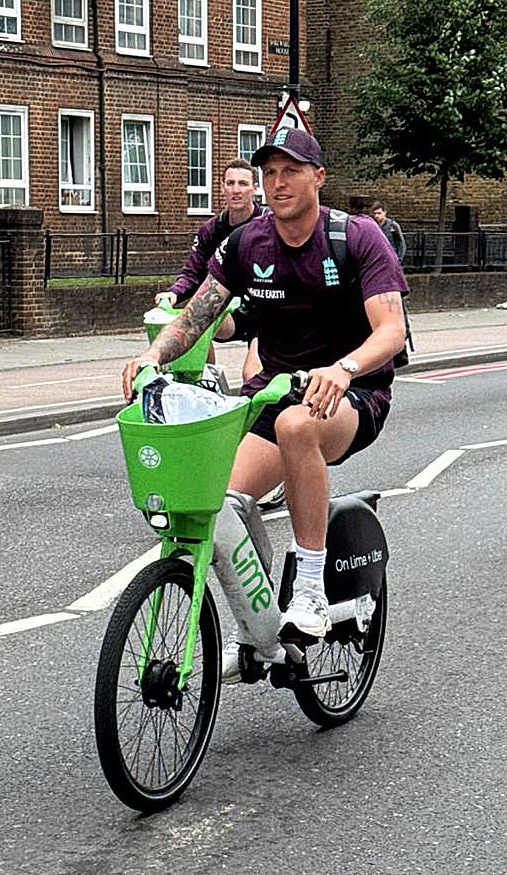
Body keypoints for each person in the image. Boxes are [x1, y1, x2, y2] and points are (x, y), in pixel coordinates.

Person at [122, 128, 407, 663]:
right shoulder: (248, 243)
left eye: (291, 171)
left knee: (297, 426)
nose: (278, 183)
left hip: (352, 393)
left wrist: (343, 369)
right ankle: (260, 628)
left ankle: (313, 592)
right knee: (216, 502)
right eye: (269, 173)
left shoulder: (356, 237)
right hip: (272, 391)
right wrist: (154, 356)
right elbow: (200, 311)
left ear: (318, 177)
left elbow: (390, 331)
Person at [161, 158, 267, 385]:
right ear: (222, 188)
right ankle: (206, 382)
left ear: (255, 189)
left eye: (242, 184)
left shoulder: (269, 226)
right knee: (198, 321)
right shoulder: (211, 230)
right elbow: (192, 271)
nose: (236, 190)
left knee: (252, 375)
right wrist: (174, 293)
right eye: (230, 183)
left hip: (265, 313)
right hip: (228, 311)